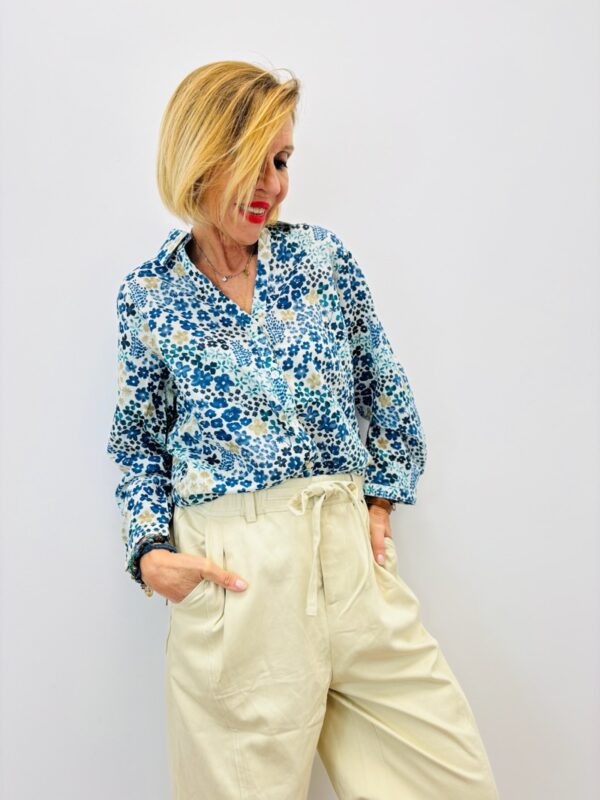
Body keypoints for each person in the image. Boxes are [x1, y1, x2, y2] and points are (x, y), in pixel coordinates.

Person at [106, 60, 500, 800]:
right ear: (200, 157)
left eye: (282, 160)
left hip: (348, 561)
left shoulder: (322, 261)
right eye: (252, 162)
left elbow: (385, 386)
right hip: (237, 582)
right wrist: (151, 552)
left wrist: (379, 503)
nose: (273, 185)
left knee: (454, 782)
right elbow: (137, 440)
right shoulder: (150, 295)